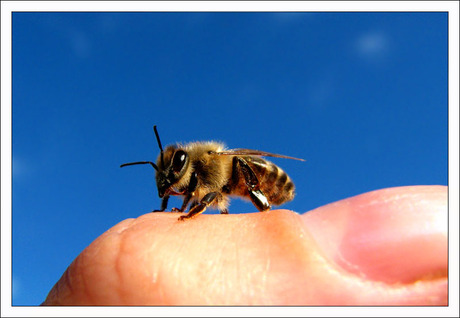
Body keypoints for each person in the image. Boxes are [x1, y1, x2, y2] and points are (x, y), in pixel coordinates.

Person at [42, 185, 447, 305]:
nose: (171, 185)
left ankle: (267, 211)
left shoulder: (210, 165)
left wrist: (192, 214)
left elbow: (216, 187)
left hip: (256, 180)